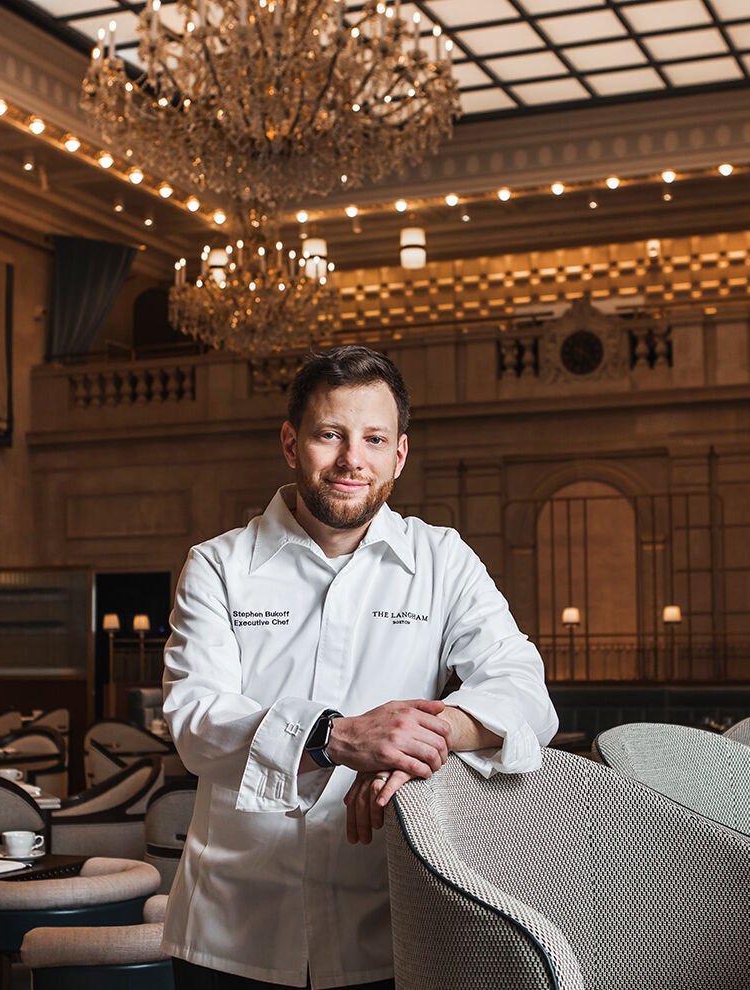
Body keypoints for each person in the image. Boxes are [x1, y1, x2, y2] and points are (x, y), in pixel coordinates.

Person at [161, 345, 558, 989]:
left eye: (374, 438)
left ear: (399, 454)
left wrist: (429, 739)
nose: (353, 460)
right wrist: (338, 737)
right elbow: (195, 720)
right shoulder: (217, 565)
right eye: (330, 435)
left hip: (393, 921)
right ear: (292, 444)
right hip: (234, 926)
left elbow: (523, 687)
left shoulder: (443, 559)